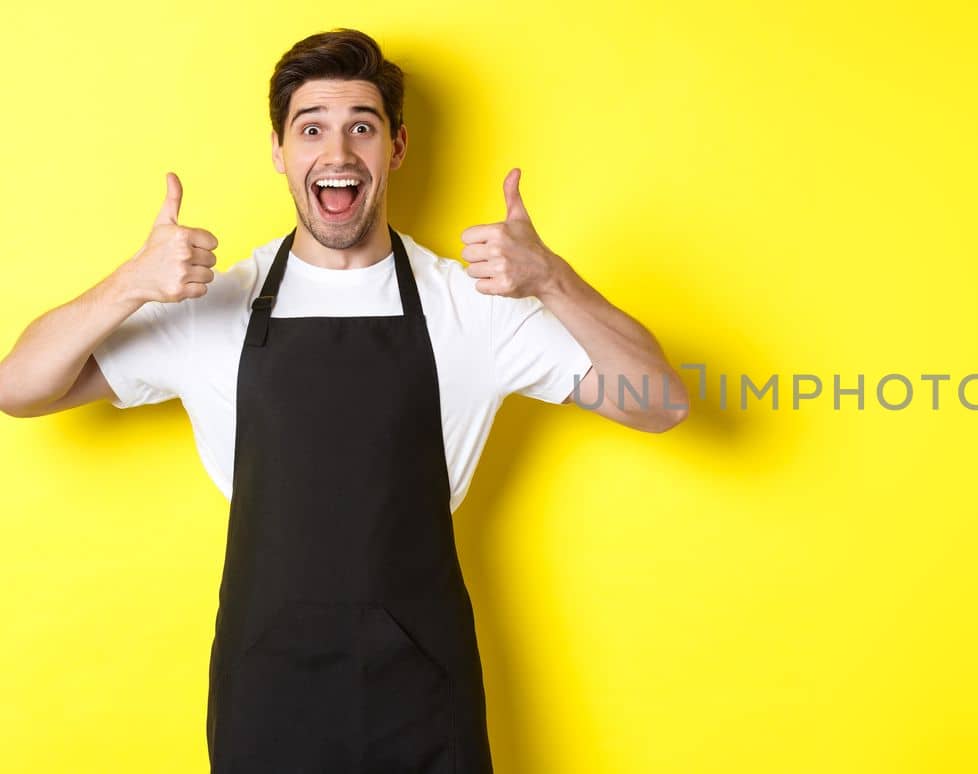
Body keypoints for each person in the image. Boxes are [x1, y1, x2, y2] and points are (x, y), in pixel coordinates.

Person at [0, 27, 689, 773]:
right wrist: (131, 283)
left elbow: (660, 403)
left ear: (395, 148)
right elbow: (19, 388)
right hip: (266, 696)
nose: (337, 153)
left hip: (423, 697)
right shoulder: (213, 307)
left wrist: (554, 280)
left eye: (362, 127)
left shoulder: (473, 308)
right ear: (279, 151)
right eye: (312, 129)